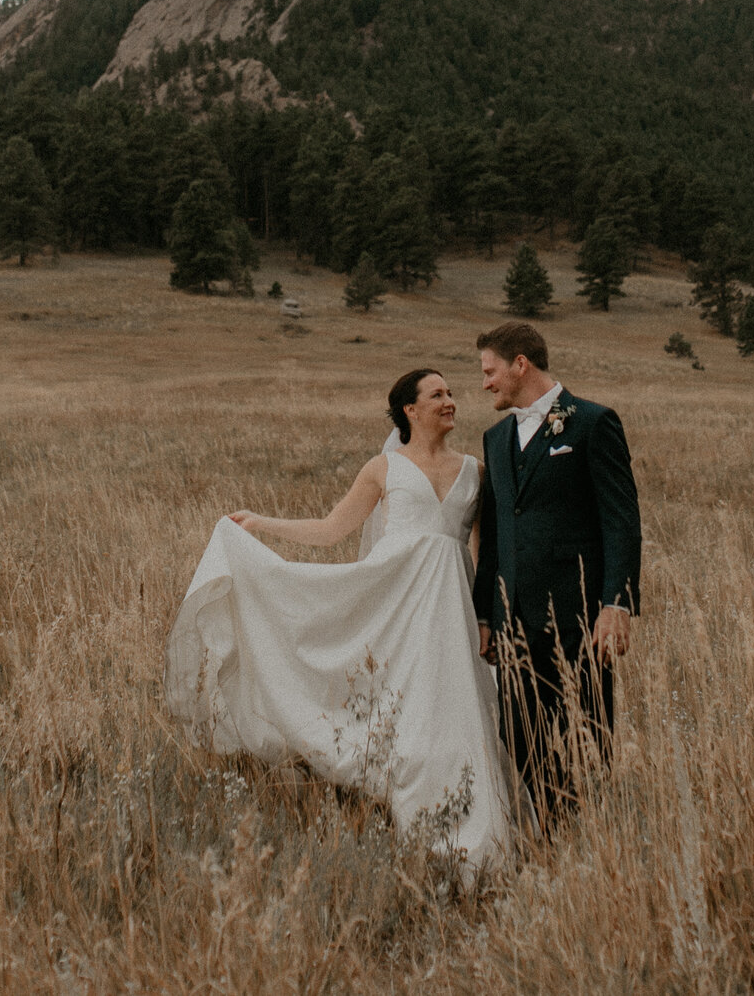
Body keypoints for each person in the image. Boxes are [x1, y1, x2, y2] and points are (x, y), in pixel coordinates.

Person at [164, 368, 518, 872]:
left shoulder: (475, 471)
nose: (451, 401)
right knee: (408, 720)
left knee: (456, 715)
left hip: (451, 609)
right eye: (437, 394)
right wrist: (261, 523)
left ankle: (472, 846)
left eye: (451, 393)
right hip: (393, 605)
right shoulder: (383, 468)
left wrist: (487, 617)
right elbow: (333, 530)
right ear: (410, 411)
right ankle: (419, 835)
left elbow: (483, 555)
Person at [470, 322, 641, 824]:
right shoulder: (495, 438)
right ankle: (557, 824)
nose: (485, 384)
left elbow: (621, 519)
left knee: (588, 731)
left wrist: (617, 603)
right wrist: (487, 613)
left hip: (580, 614)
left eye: (490, 371)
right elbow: (495, 535)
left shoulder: (592, 422)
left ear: (520, 364)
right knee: (519, 734)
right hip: (513, 618)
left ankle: (594, 832)